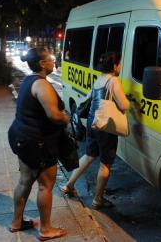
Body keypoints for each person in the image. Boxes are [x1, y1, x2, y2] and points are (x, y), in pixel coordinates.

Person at [8, 47, 70, 241]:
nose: (54, 62)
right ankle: (46, 229)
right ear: (42, 64)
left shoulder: (29, 80)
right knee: (46, 185)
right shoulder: (42, 85)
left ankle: (16, 222)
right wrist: (66, 119)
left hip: (22, 136)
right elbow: (53, 114)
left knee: (25, 180)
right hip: (38, 143)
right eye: (51, 60)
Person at [61, 51, 129, 209]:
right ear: (114, 65)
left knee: (89, 155)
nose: (120, 66)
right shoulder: (113, 81)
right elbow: (124, 105)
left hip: (93, 122)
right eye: (119, 63)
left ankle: (69, 185)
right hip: (105, 125)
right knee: (105, 164)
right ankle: (98, 199)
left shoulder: (98, 80)